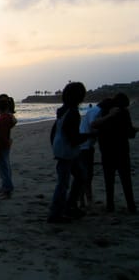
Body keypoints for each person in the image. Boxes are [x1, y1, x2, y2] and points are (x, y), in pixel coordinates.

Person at [48, 82, 91, 224]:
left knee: (79, 175)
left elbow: (54, 131)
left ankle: (69, 206)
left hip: (62, 148)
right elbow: (73, 138)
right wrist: (89, 135)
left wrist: (54, 145)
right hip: (67, 150)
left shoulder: (63, 110)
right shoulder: (72, 113)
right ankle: (56, 213)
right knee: (64, 182)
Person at [92, 93, 138, 214]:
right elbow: (129, 134)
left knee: (109, 180)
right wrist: (134, 130)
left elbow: (95, 126)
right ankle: (131, 205)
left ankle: (110, 205)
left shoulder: (104, 111)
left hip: (106, 150)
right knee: (126, 180)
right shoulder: (123, 113)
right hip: (121, 150)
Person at [78, 99, 111, 207]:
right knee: (86, 175)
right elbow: (93, 126)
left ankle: (84, 200)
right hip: (84, 146)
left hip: (86, 145)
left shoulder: (94, 111)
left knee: (86, 174)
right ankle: (87, 200)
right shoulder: (96, 112)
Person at [0, 98, 17, 199]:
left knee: (4, 168)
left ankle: (7, 189)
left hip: (2, 146)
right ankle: (5, 186)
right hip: (4, 145)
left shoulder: (3, 118)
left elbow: (2, 136)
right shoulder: (6, 117)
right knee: (4, 167)